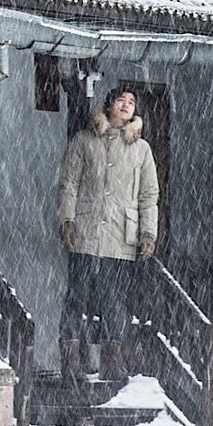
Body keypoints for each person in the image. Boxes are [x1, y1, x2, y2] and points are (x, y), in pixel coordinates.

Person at [56, 85, 159, 384]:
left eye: (132, 103)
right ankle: (71, 363)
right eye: (121, 101)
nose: (127, 106)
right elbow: (68, 183)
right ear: (109, 105)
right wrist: (67, 221)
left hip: (121, 236)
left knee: (116, 302)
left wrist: (148, 233)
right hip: (86, 233)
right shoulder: (85, 141)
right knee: (76, 297)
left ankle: (114, 363)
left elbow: (149, 195)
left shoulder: (142, 150)